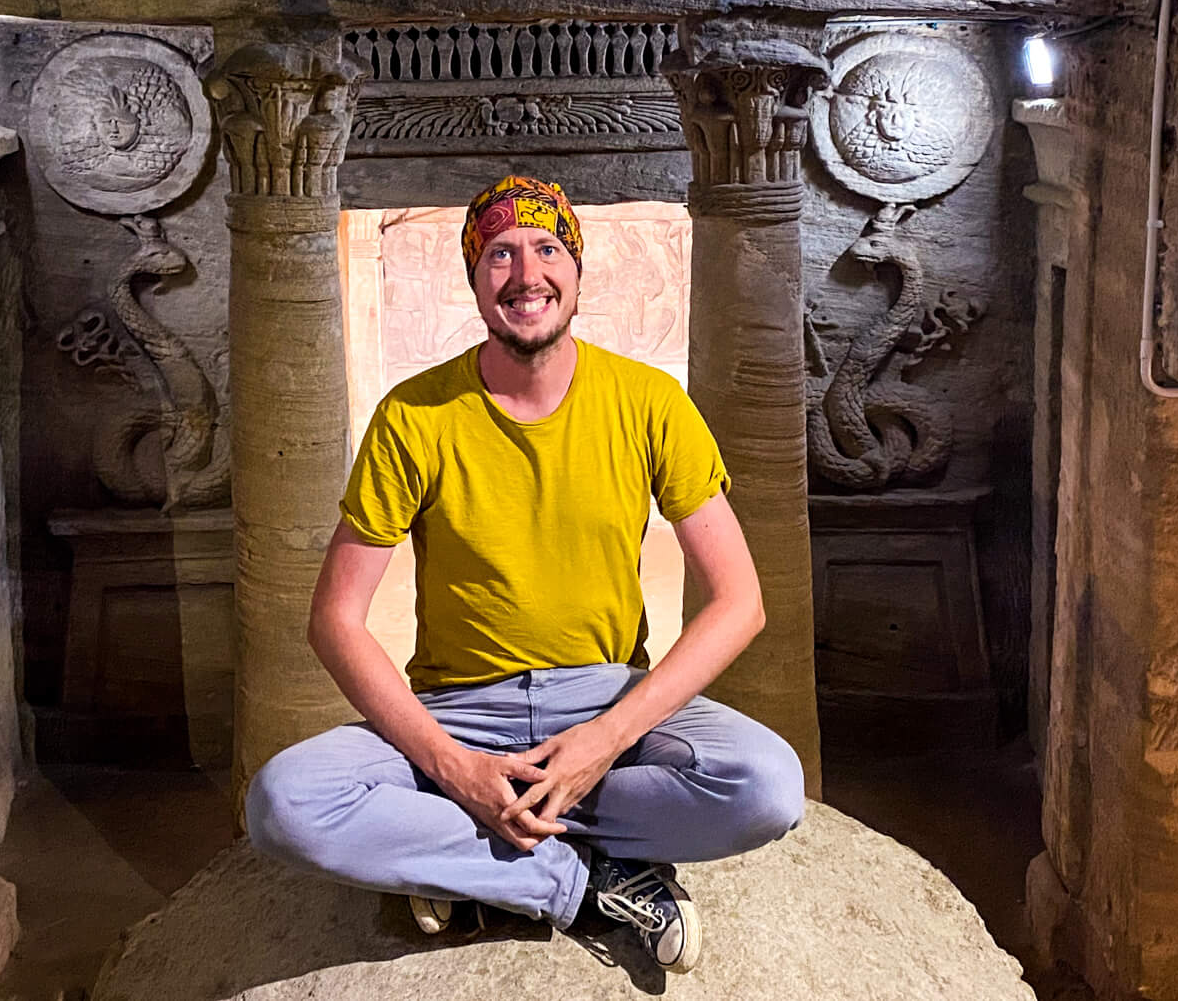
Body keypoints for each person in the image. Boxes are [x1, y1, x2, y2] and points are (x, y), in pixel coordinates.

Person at [245, 174, 805, 974]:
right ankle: (584, 881)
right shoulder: (415, 416)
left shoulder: (650, 403)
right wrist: (453, 767)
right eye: (499, 254)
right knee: (284, 804)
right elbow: (335, 618)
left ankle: (466, 861)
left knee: (766, 789)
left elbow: (740, 601)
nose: (525, 273)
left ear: (577, 269)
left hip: (603, 697)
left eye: (546, 249)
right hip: (457, 711)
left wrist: (605, 741)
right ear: (475, 279)